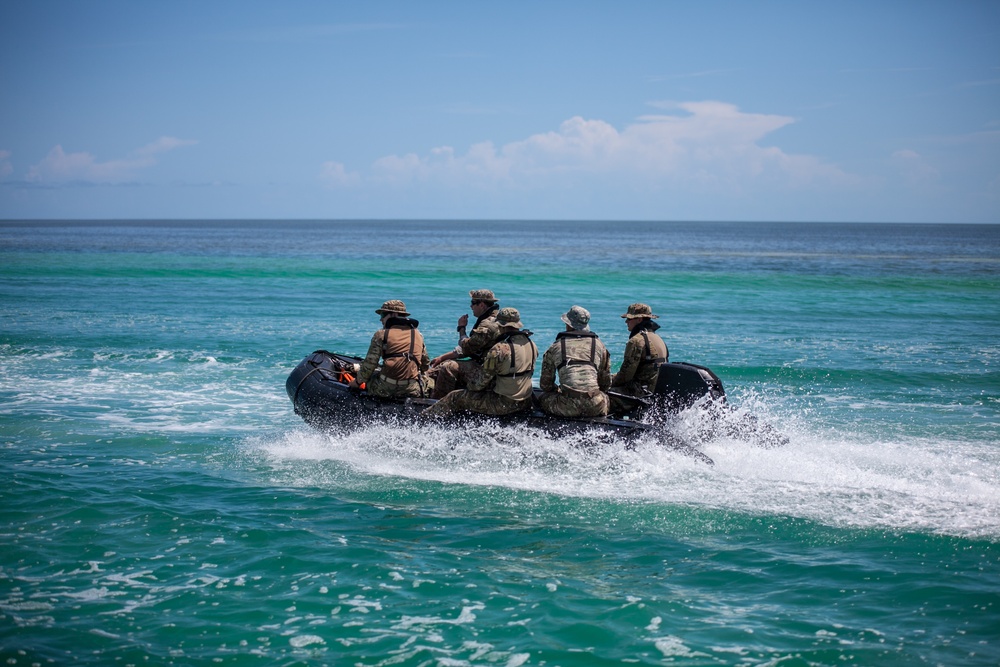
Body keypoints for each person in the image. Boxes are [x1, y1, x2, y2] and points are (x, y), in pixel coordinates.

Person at [421, 307, 537, 419]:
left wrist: (466, 387)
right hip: (525, 401)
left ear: (501, 325)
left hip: (503, 404)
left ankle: (424, 419)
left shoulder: (500, 349)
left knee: (454, 396)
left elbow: (478, 384)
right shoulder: (531, 344)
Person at [538, 306, 612, 418]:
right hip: (595, 406)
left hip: (567, 406)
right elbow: (605, 383)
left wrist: (558, 390)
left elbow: (545, 385)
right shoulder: (599, 346)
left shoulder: (556, 347)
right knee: (605, 397)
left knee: (543, 398)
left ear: (568, 324)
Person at [428, 289, 503, 399]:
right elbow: (473, 348)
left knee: (447, 367)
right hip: (489, 367)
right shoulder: (496, 319)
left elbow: (468, 348)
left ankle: (438, 404)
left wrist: (461, 328)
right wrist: (442, 357)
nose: (471, 307)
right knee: (437, 368)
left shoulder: (487, 325)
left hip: (488, 372)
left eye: (473, 303)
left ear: (481, 305)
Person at [348, 299, 431, 398]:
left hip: (384, 389)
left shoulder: (381, 334)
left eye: (383, 315)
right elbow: (425, 364)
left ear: (394, 314)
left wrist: (356, 383)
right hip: (412, 389)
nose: (381, 319)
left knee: (371, 377)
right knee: (430, 382)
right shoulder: (418, 335)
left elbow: (370, 364)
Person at [609, 303, 669, 409]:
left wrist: (607, 382)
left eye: (629, 319)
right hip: (653, 390)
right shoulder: (658, 339)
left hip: (638, 393)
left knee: (600, 396)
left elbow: (625, 375)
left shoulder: (637, 341)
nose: (626, 321)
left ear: (639, 320)